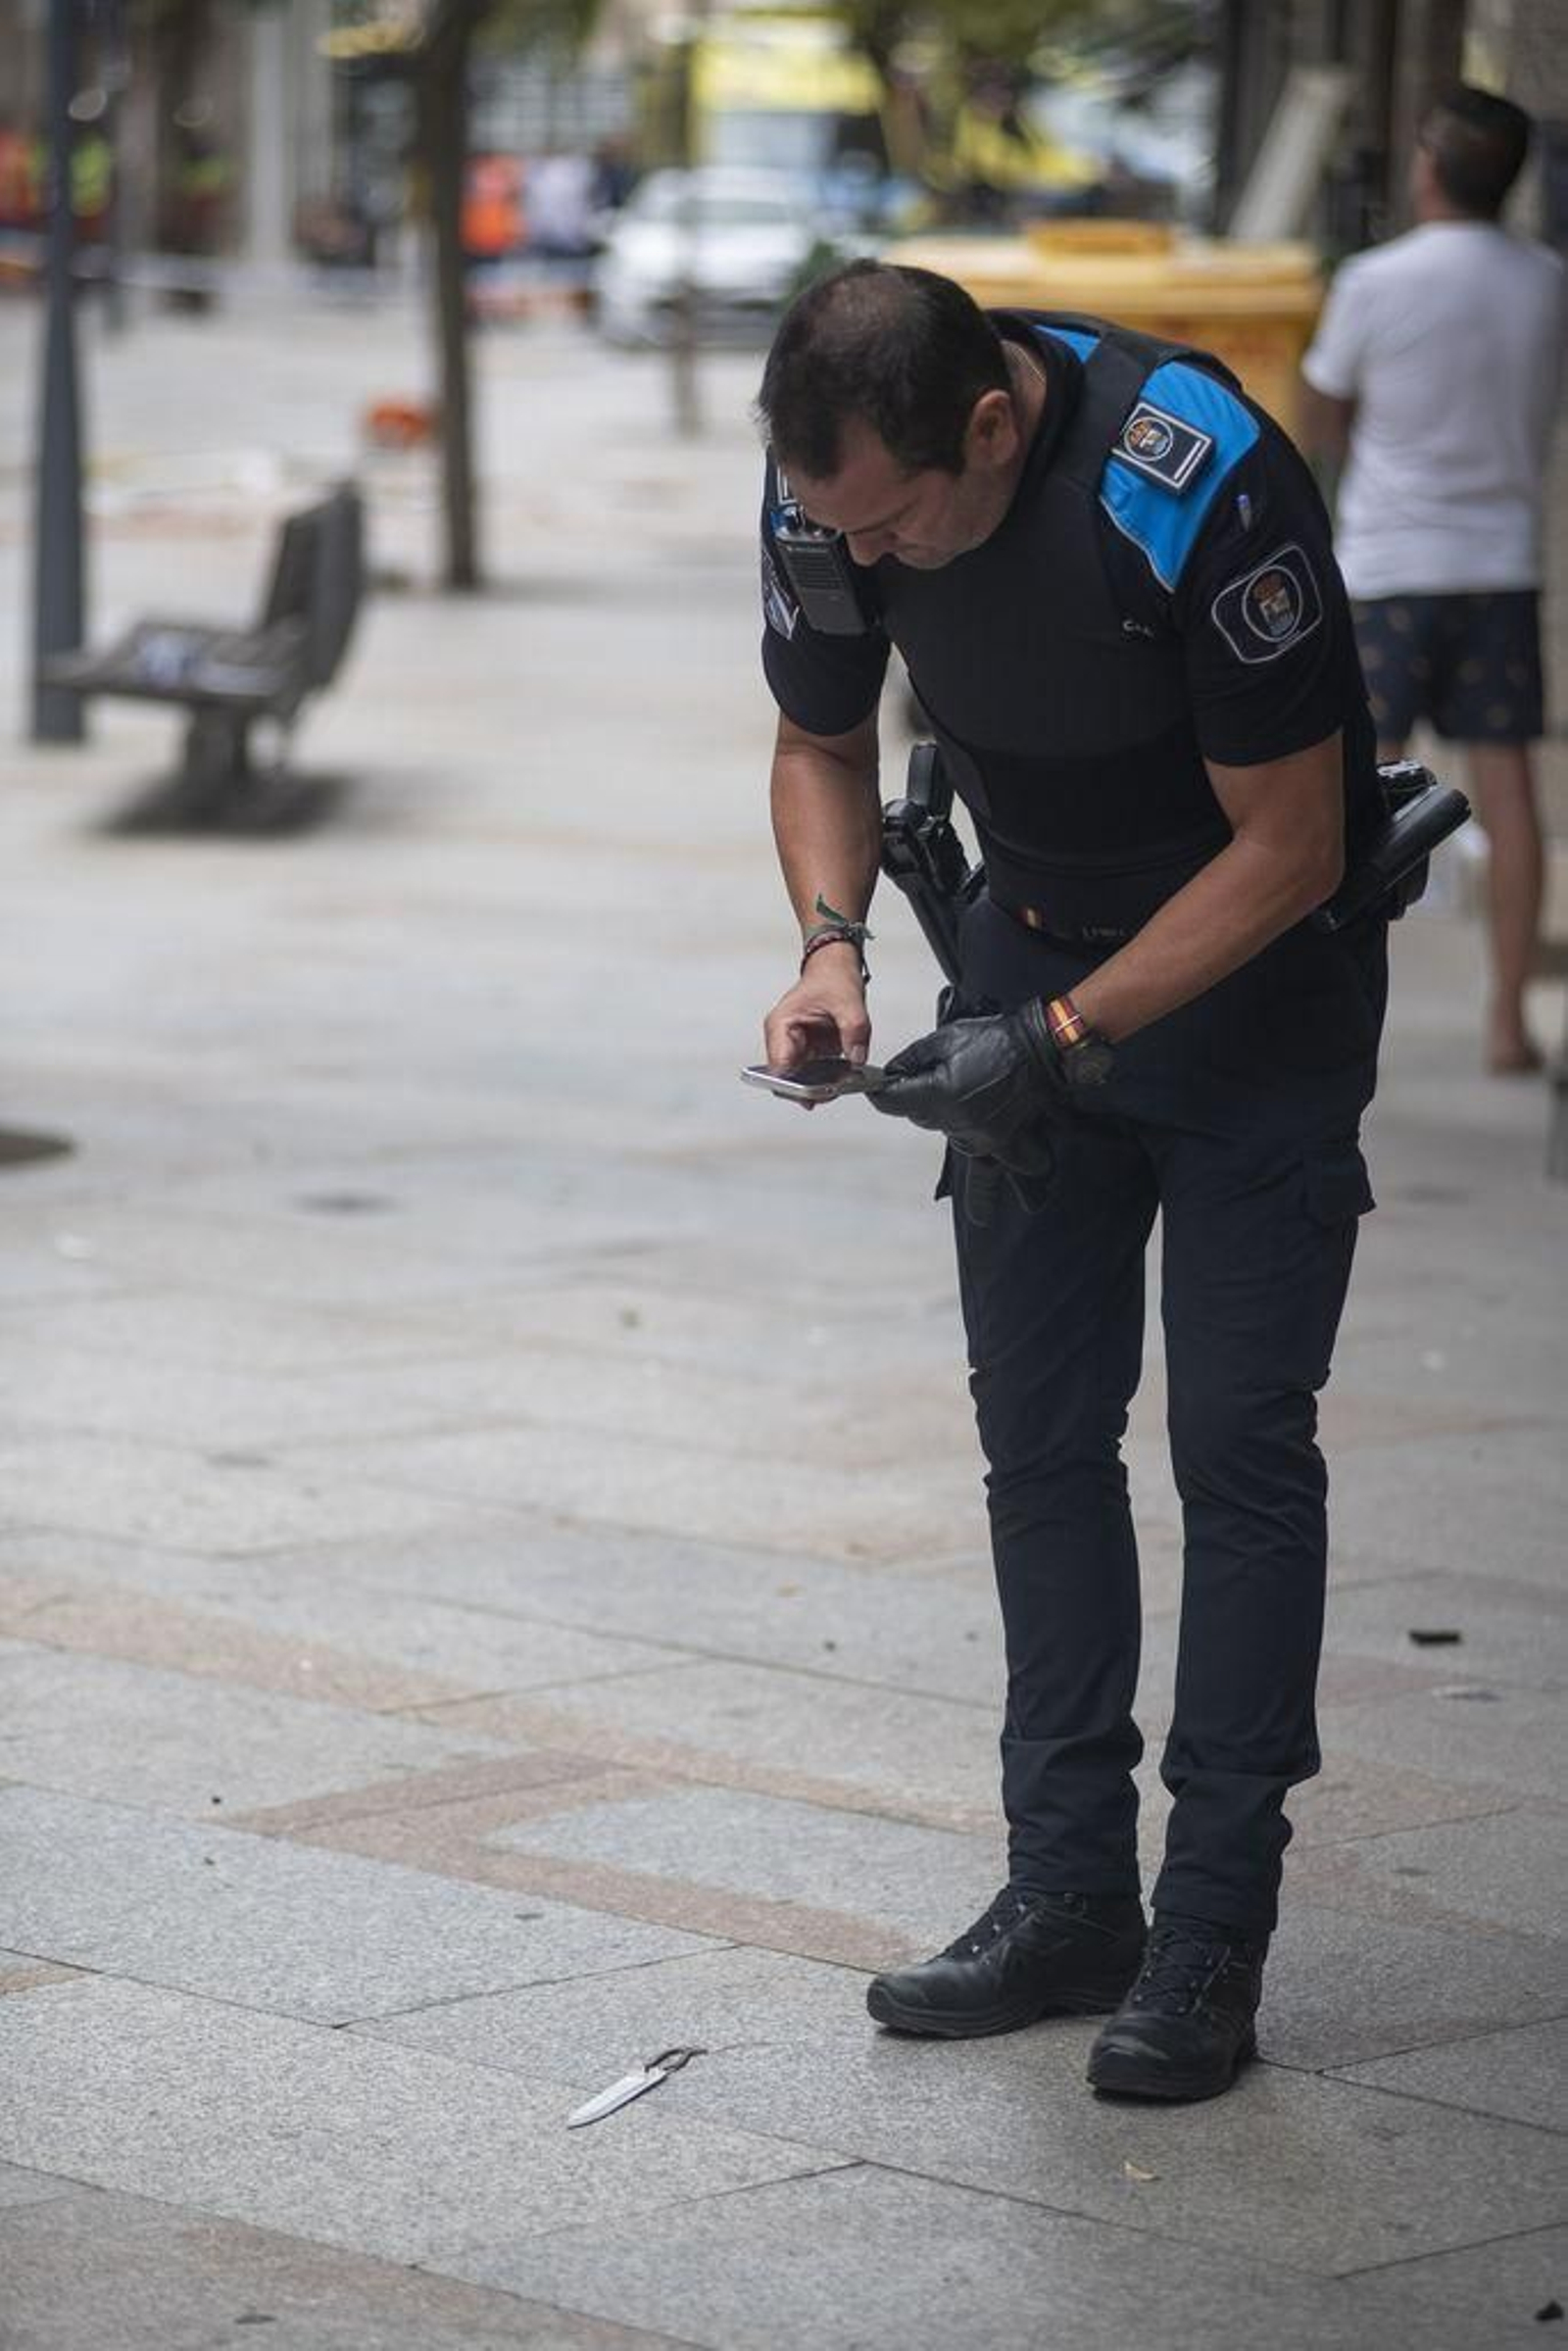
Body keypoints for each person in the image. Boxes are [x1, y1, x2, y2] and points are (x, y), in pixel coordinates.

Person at [754, 261, 1390, 2103]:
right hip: (1027, 954)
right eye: (830, 528)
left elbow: (1294, 840)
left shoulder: (1189, 478)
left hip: (1254, 997)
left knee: (1241, 1456)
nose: (861, 564)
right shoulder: (826, 486)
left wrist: (1063, 1034)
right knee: (1037, 1442)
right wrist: (831, 947)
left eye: (890, 526)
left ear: (991, 425)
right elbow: (819, 736)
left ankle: (1209, 1925)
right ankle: (1067, 1894)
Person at [1301, 85, 1565, 1074]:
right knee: (1507, 790)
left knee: (1348, 796)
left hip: (1389, 568)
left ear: (1428, 167)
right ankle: (1506, 1021)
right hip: (1497, 567)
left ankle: (1323, 1006)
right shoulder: (1545, 280)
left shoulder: (1373, 279)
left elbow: (1321, 412)